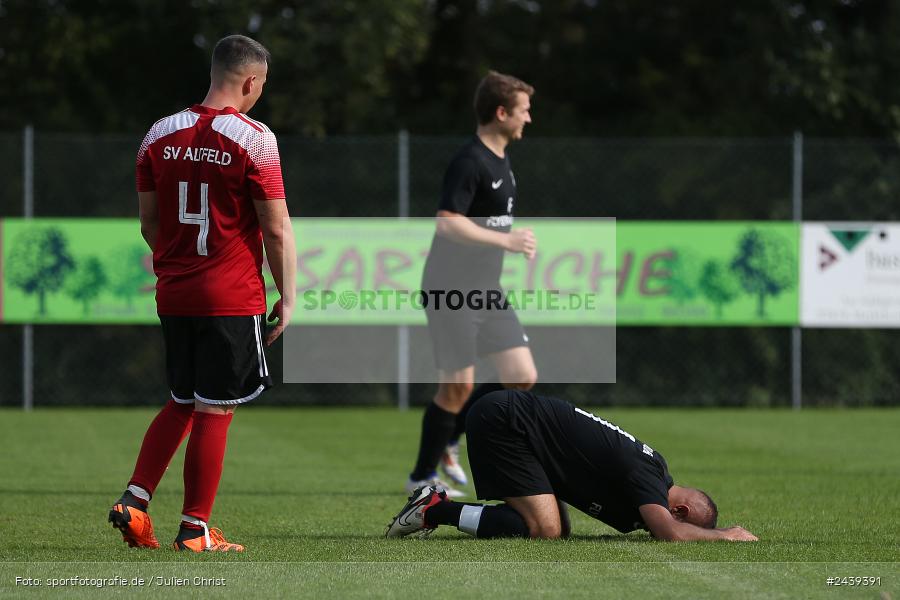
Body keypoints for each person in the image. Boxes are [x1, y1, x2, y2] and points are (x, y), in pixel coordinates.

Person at [107, 34, 296, 552]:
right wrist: (289, 294)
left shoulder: (157, 133)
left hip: (174, 292)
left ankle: (135, 500)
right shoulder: (256, 138)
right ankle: (195, 529)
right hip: (230, 295)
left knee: (181, 401)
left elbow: (150, 223)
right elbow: (275, 228)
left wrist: (180, 264)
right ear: (252, 81)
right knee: (216, 409)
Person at [407, 71, 540, 497]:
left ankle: (452, 435)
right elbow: (447, 223)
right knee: (457, 385)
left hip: (487, 289)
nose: (528, 119)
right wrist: (508, 240)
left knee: (521, 375)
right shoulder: (470, 161)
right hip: (451, 290)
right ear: (501, 113)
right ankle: (422, 476)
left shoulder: (502, 161)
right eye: (523, 111)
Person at [387, 390, 758, 542]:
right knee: (544, 528)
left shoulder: (651, 476)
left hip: (520, 431)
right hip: (506, 422)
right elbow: (669, 533)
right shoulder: (649, 477)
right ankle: (434, 509)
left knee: (552, 529)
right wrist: (724, 535)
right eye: (683, 521)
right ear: (679, 509)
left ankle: (435, 508)